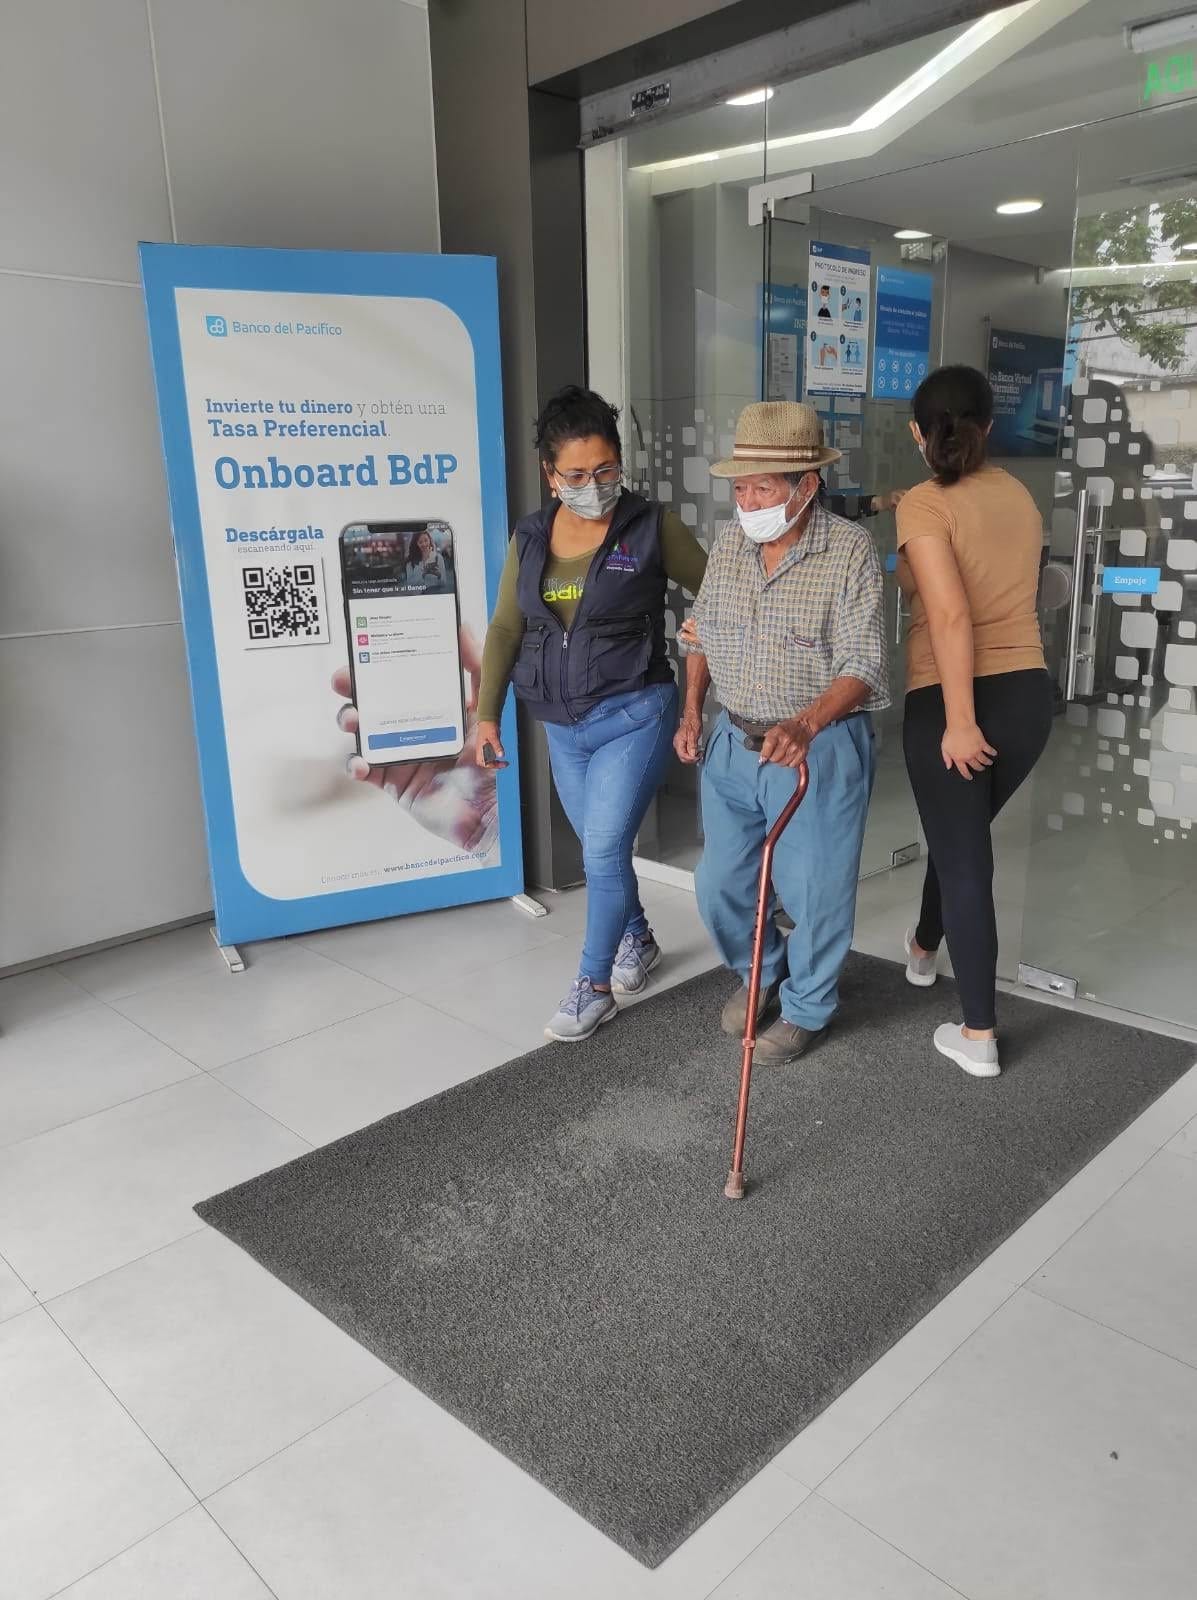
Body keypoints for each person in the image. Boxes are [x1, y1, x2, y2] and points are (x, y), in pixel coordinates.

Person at [476, 386, 707, 1042]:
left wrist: (706, 631)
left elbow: (720, 590)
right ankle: (638, 936)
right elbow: (506, 627)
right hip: (561, 724)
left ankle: (592, 985)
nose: (593, 486)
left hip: (635, 711)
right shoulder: (530, 535)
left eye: (605, 470)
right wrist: (486, 716)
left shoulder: (651, 526)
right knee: (600, 853)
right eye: (575, 475)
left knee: (604, 849)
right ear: (550, 474)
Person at [676, 401, 888, 1065]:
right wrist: (692, 710)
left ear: (807, 485)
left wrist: (806, 723)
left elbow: (863, 663)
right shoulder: (728, 546)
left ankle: (806, 1008)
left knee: (814, 890)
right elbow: (700, 633)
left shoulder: (848, 550)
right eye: (740, 488)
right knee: (720, 884)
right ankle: (761, 972)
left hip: (816, 745)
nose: (747, 503)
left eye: (762, 488)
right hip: (732, 743)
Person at [897, 365, 1052, 1079]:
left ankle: (978, 1033)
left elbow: (952, 613)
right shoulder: (1017, 495)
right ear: (988, 427)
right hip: (1026, 699)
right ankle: (923, 947)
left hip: (952, 699)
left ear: (916, 432)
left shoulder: (926, 505)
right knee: (957, 834)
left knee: (963, 856)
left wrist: (958, 720)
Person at [406, 527, 450, 592]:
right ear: (416, 544)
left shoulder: (438, 557)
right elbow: (410, 584)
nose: (424, 544)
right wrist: (424, 567)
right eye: (420, 542)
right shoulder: (411, 561)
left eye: (426, 540)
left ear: (430, 540)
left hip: (435, 594)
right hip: (419, 595)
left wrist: (438, 575)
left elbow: (443, 583)